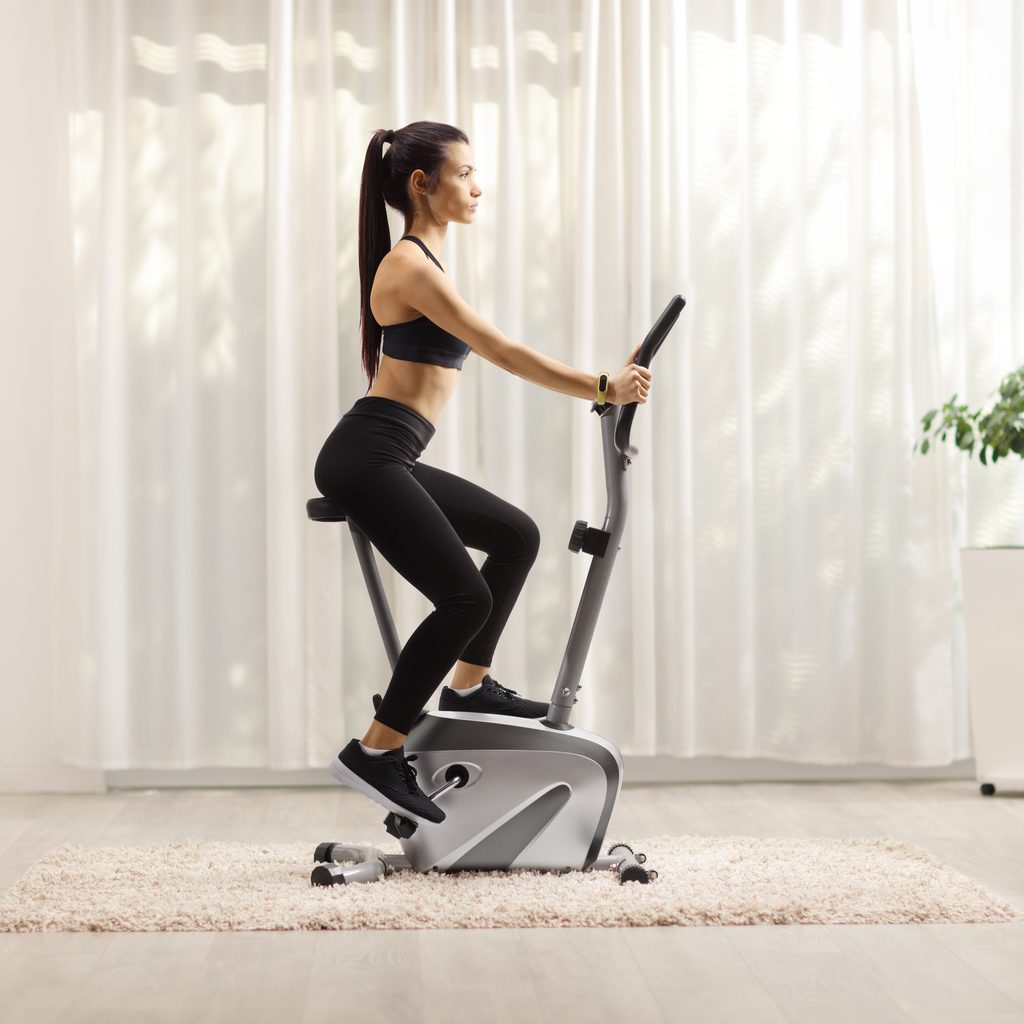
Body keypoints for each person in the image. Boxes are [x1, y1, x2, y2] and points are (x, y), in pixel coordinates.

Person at [313, 120, 653, 824]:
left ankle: (468, 686)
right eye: (464, 172)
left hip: (390, 451)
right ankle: (377, 749)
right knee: (464, 598)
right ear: (421, 184)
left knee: (515, 535)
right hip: (365, 454)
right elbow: (500, 349)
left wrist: (607, 383)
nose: (477, 185)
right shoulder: (409, 266)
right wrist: (599, 386)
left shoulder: (426, 265)